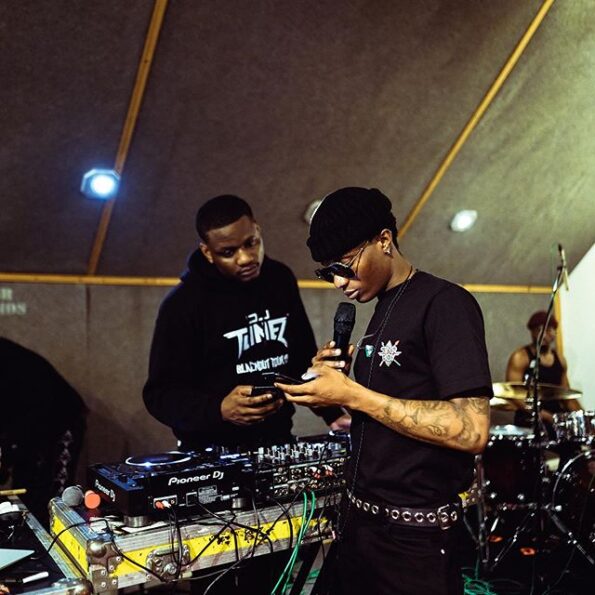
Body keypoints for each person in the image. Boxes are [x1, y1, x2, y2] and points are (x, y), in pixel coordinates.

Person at [276, 187, 492, 595]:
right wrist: (331, 391)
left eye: (345, 266)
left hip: (415, 544)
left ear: (384, 240)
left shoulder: (445, 304)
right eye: (327, 273)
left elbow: (471, 429)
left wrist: (352, 394)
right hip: (361, 530)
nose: (338, 282)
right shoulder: (382, 310)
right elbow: (387, 417)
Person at [143, 195, 349, 452]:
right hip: (209, 451)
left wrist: (332, 414)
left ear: (258, 230)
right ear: (207, 252)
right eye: (228, 252)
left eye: (251, 243)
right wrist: (219, 409)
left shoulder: (280, 279)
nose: (245, 258)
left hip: (277, 442)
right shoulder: (182, 304)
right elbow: (160, 395)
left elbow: (300, 360)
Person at [0, 337, 87, 527]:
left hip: (59, 418)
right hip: (24, 426)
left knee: (53, 504)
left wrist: (5, 457)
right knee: (24, 497)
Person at [506, 311, 581, 426]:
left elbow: (566, 396)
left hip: (556, 419)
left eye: (549, 330)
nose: (545, 334)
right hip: (529, 419)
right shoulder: (520, 357)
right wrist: (543, 415)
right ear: (532, 332)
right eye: (540, 330)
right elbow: (513, 394)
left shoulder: (560, 359)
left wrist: (584, 418)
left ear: (555, 332)